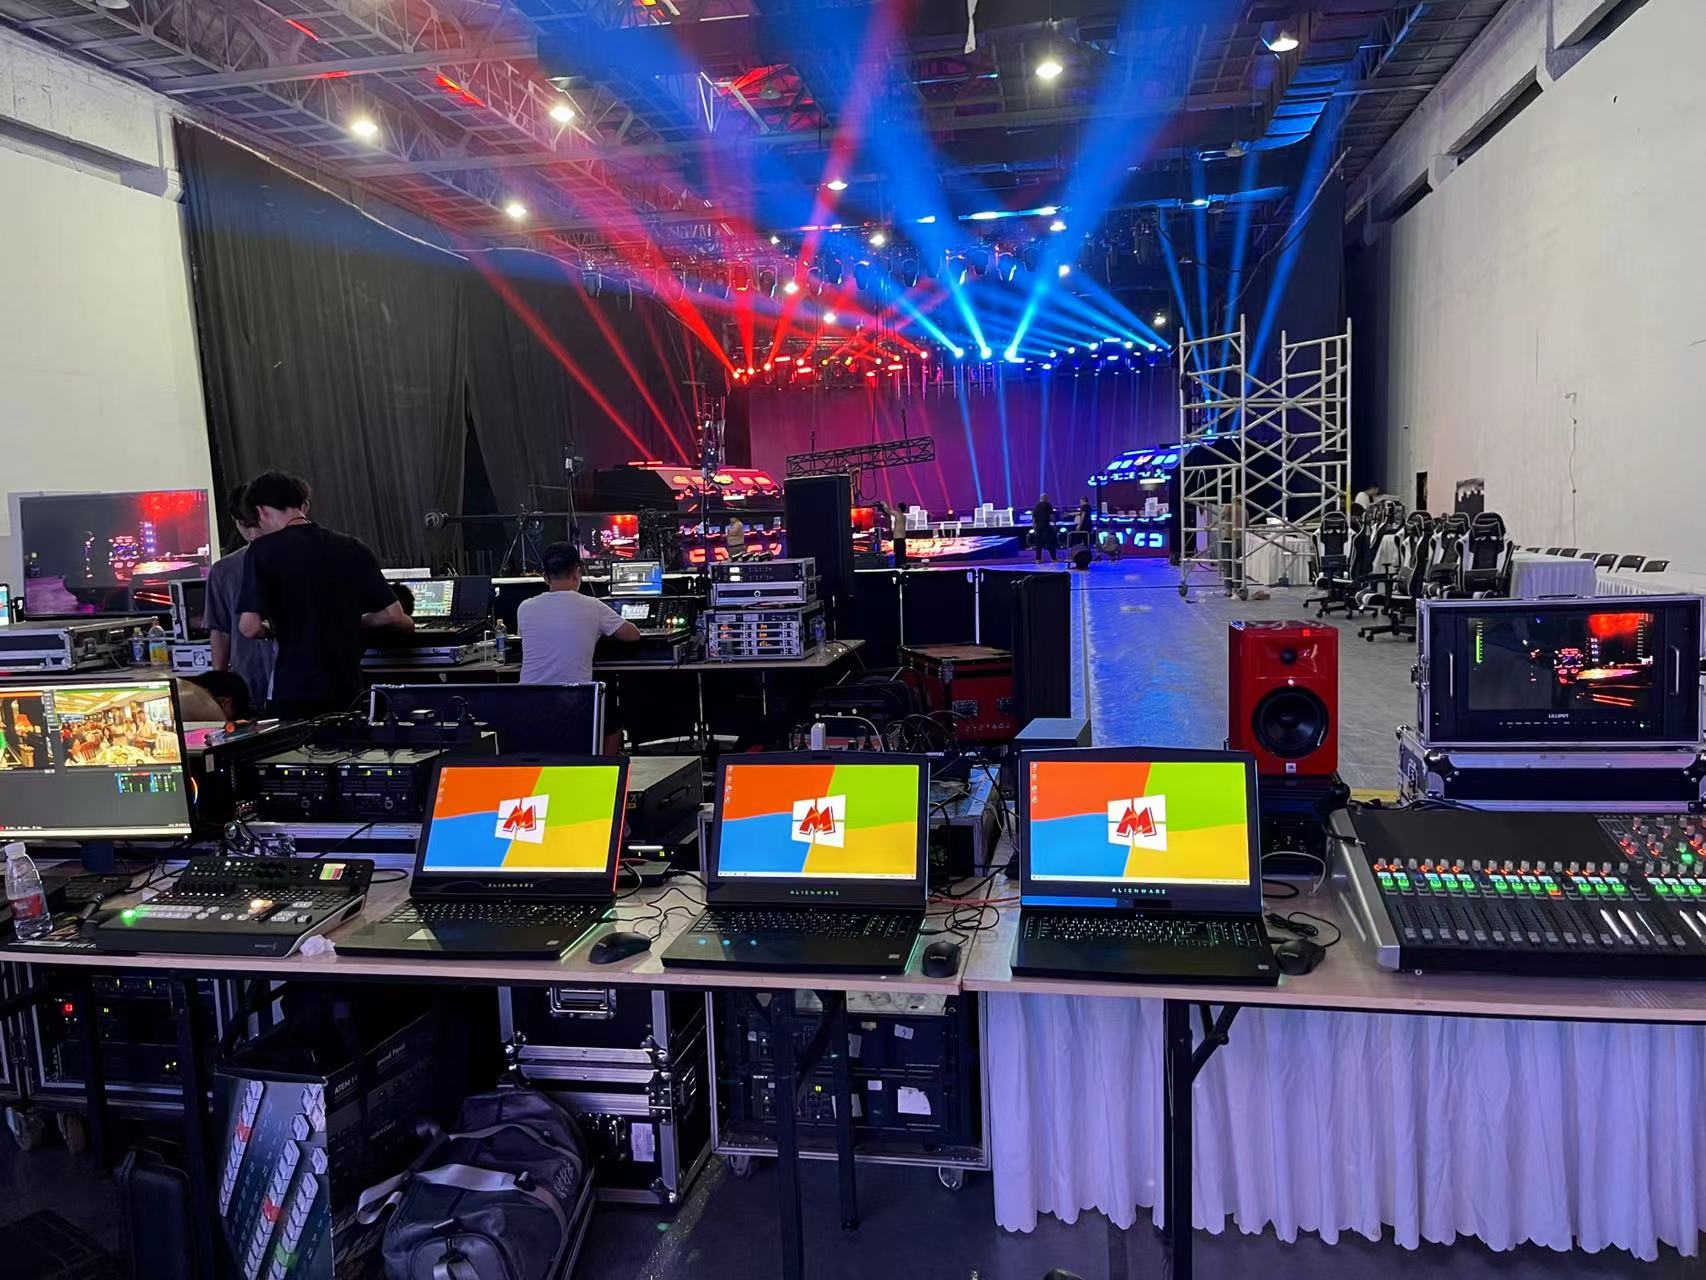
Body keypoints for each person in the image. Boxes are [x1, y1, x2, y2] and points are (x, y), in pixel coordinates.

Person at [237, 471, 412, 719]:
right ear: (302, 505)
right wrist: (349, 620)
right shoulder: (351, 545)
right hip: (347, 687)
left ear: (261, 511)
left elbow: (249, 627)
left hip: (295, 688)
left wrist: (275, 630)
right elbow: (393, 615)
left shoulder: (261, 551)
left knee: (297, 744)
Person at [518, 542, 640, 752]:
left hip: (528, 701)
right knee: (613, 719)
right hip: (574, 702)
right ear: (577, 572)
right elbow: (633, 635)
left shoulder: (525, 607)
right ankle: (603, 766)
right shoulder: (593, 606)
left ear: (545, 577)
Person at [206, 485, 276, 709]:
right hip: (247, 683)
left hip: (292, 681)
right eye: (246, 525)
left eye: (256, 524)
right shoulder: (224, 570)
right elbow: (220, 630)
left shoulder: (293, 559)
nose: (254, 534)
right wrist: (219, 684)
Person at [1032, 492, 1059, 563]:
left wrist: (1034, 528)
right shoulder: (1048, 505)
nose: (1047, 499)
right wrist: (1055, 524)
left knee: (1039, 544)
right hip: (1046, 527)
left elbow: (1033, 519)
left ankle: (1038, 559)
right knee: (1050, 543)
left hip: (1038, 527)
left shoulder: (1036, 506)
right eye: (1047, 498)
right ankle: (1053, 558)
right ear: (1045, 498)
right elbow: (1051, 516)